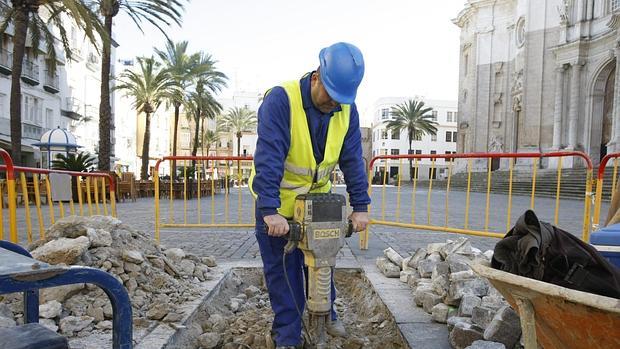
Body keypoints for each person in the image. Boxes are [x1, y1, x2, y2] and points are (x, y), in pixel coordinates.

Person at [249, 42, 371, 349]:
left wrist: (360, 205)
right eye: (330, 96)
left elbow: (353, 158)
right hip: (279, 202)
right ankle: (288, 335)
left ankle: (325, 314)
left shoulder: (346, 108)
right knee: (284, 273)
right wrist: (269, 210)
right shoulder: (282, 99)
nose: (334, 104)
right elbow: (269, 156)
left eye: (341, 99)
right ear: (316, 77)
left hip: (320, 200)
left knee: (323, 261)